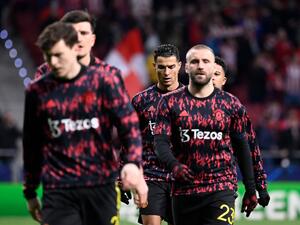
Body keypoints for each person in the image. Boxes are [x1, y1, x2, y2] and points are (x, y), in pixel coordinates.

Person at [22, 22, 148, 225]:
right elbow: (31, 144)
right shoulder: (37, 91)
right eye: (48, 56)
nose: (53, 62)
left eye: (58, 54)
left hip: (101, 186)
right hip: (58, 189)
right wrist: (30, 191)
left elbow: (129, 125)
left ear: (74, 48)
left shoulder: (103, 82)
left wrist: (133, 163)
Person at [33, 9, 132, 204]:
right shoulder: (45, 73)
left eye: (84, 33)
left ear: (93, 39)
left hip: (101, 177)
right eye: (72, 32)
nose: (77, 38)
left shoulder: (109, 74)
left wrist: (129, 167)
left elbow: (126, 128)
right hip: (59, 178)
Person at [153, 44, 258, 225]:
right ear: (186, 67)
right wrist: (174, 165)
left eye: (205, 61)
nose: (200, 66)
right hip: (183, 191)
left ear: (212, 67)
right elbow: (160, 143)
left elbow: (242, 147)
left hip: (220, 187)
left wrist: (250, 188)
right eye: (195, 61)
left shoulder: (231, 104)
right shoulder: (168, 102)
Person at [132, 44, 183, 225]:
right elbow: (130, 141)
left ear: (179, 65)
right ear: (154, 66)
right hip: (151, 176)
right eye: (161, 67)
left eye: (171, 67)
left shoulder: (191, 100)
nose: (167, 72)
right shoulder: (140, 101)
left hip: (182, 178)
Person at [213, 56, 270, 208]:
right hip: (186, 189)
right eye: (209, 73)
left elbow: (250, 147)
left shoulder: (233, 106)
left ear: (224, 80)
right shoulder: (185, 104)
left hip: (222, 186)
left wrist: (259, 186)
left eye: (216, 74)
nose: (212, 78)